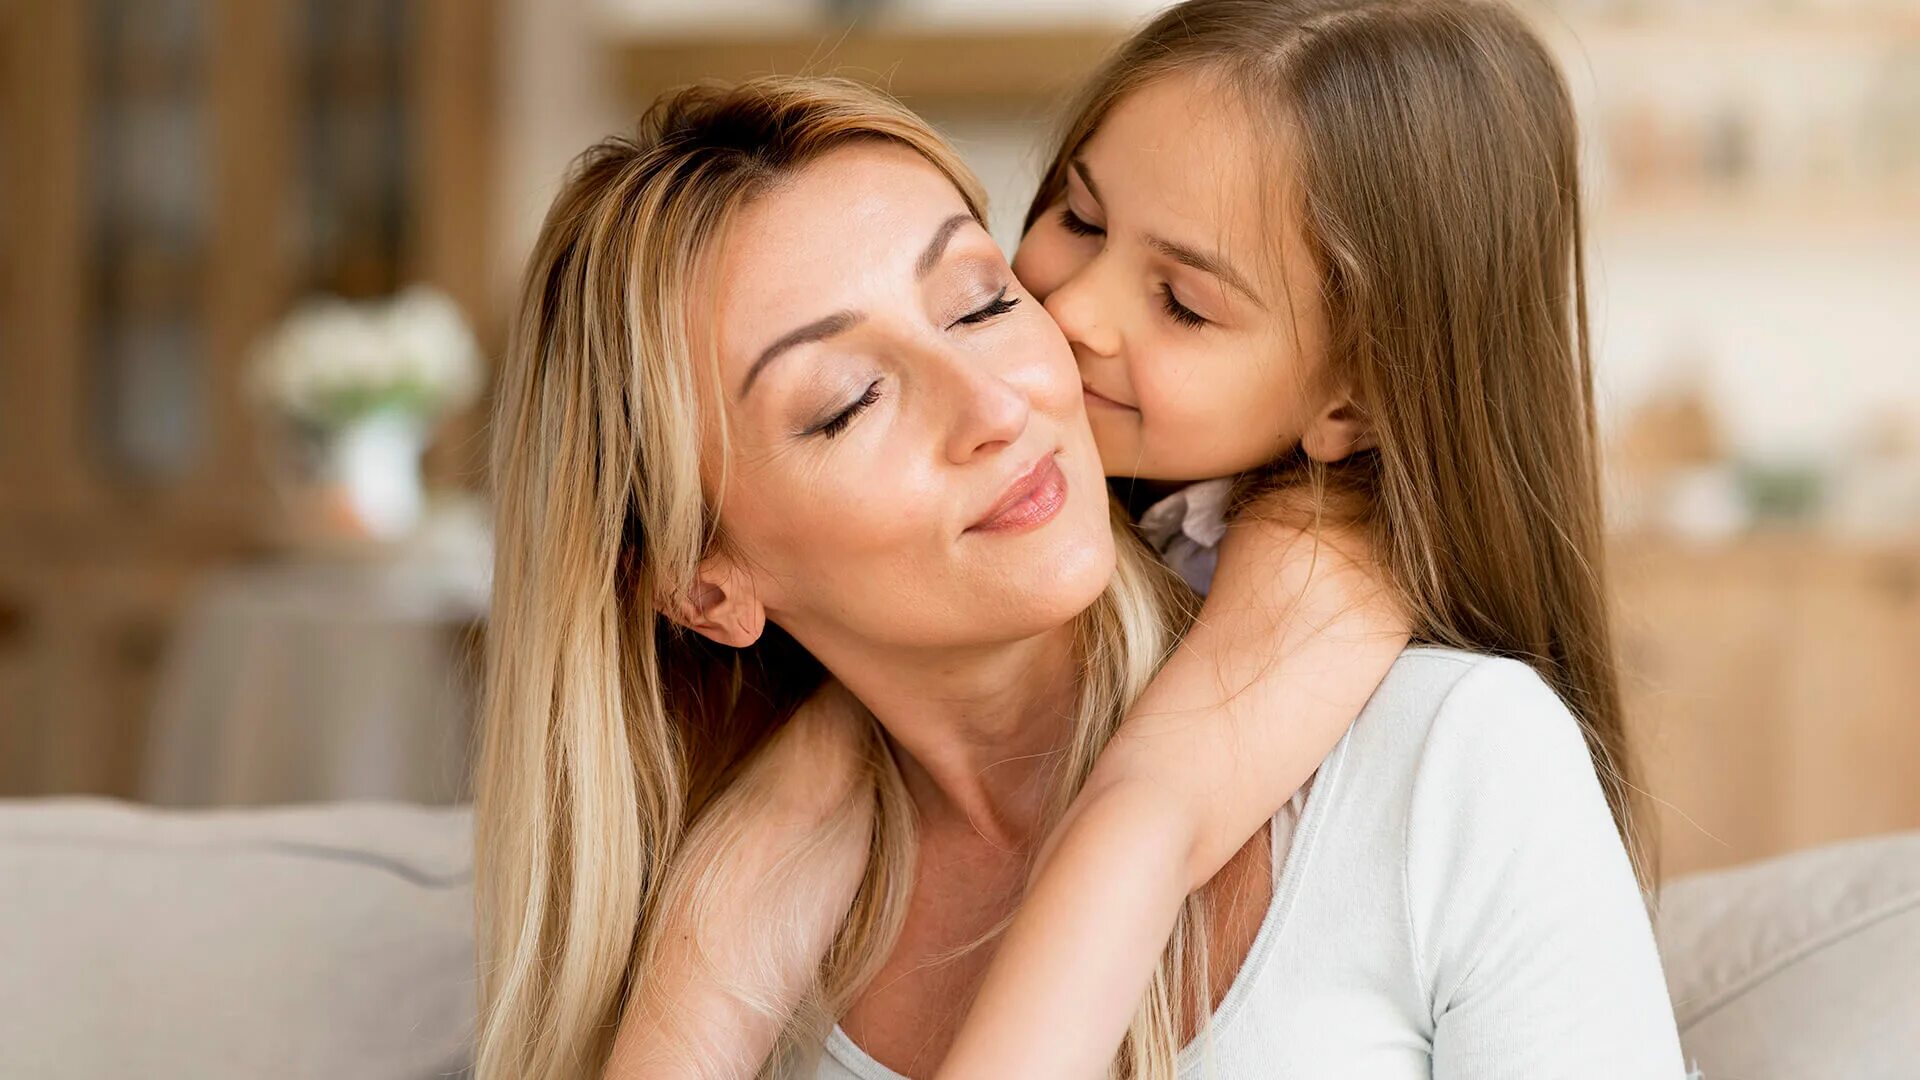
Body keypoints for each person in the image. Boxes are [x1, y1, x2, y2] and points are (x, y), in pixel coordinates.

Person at [475, 6, 1688, 1074]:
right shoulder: (731, 918)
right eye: (849, 400)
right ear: (702, 586)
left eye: (980, 300)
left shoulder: (1448, 758)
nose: (1010, 393)